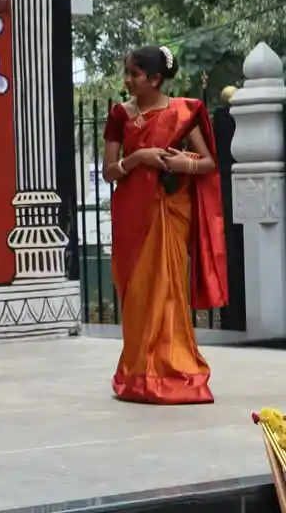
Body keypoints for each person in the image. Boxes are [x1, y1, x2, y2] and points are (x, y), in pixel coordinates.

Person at [102, 45, 227, 405]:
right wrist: (139, 157)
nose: (127, 80)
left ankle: (174, 368)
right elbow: (111, 171)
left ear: (155, 79)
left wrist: (179, 161)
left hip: (169, 210)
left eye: (134, 75)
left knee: (168, 290)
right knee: (138, 292)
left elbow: (206, 163)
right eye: (126, 72)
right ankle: (137, 372)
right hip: (131, 213)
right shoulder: (119, 115)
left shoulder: (182, 113)